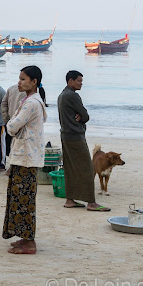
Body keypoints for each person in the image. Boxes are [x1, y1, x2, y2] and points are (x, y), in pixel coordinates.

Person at [3, 65, 47, 254]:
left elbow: (13, 127)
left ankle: (29, 242)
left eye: (23, 79)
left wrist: (10, 124)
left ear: (34, 82)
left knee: (24, 201)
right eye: (19, 78)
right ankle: (24, 237)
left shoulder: (31, 103)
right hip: (24, 156)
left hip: (26, 158)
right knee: (19, 199)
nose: (19, 82)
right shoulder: (29, 100)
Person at [57, 70, 111, 212]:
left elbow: (79, 115)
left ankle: (70, 200)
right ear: (70, 81)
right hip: (75, 136)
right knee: (88, 168)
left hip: (65, 135)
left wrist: (80, 116)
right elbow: (86, 116)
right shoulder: (73, 95)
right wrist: (81, 117)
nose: (81, 83)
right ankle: (91, 203)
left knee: (70, 168)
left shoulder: (62, 95)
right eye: (79, 81)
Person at [1, 83, 26, 168]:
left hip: (12, 122)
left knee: (14, 146)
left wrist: (7, 120)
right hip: (21, 125)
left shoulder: (11, 88)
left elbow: (4, 104)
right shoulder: (31, 93)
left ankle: (12, 167)